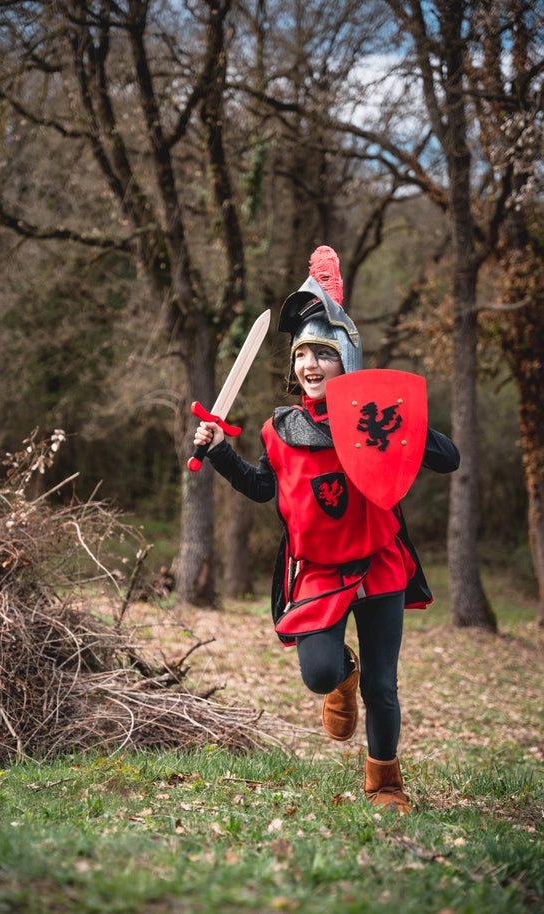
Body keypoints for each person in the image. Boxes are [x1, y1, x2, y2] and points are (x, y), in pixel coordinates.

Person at [193, 246, 460, 813]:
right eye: (302, 354)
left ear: (348, 360)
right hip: (315, 572)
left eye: (324, 352)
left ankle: (385, 782)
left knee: (382, 689)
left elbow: (448, 458)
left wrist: (399, 414)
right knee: (319, 673)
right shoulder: (279, 428)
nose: (310, 364)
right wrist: (221, 453)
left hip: (379, 565)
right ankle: (343, 676)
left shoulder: (373, 420)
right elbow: (264, 489)